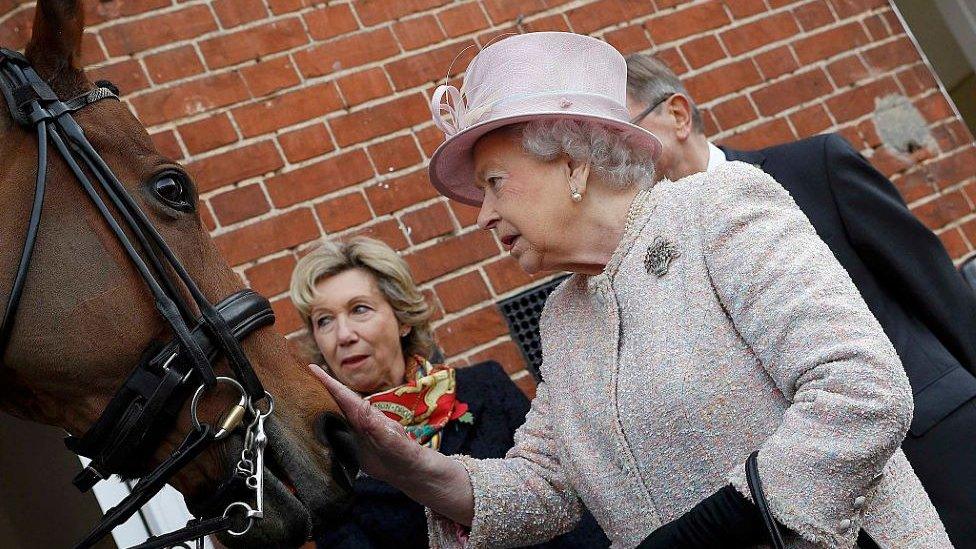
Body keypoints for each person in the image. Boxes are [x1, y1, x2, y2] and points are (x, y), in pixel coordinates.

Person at [309, 32, 951, 548]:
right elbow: (544, 489)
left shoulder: (717, 209)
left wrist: (715, 528)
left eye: (494, 183)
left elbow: (861, 388)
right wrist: (412, 469)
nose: (481, 215)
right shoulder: (564, 316)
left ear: (573, 164)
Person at [626, 52, 976, 548]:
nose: (614, 162)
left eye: (624, 137)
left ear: (678, 115)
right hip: (840, 514)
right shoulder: (650, 267)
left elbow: (939, 293)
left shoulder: (814, 167)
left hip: (943, 447)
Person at [290, 236, 609, 548]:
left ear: (402, 319)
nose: (343, 335)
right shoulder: (330, 456)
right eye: (324, 321)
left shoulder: (485, 387)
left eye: (359, 309)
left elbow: (567, 498)